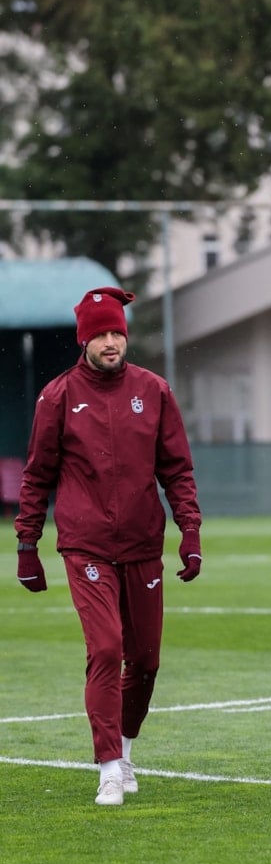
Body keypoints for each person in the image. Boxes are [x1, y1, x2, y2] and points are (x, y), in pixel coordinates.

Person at [15, 286, 202, 807]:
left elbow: (177, 470)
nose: (111, 342)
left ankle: (124, 747)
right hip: (86, 545)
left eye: (117, 332)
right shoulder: (57, 396)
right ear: (85, 340)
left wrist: (189, 531)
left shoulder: (154, 390)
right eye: (101, 334)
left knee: (145, 660)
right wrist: (28, 544)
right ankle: (109, 769)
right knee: (105, 649)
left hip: (143, 543)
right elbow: (37, 475)